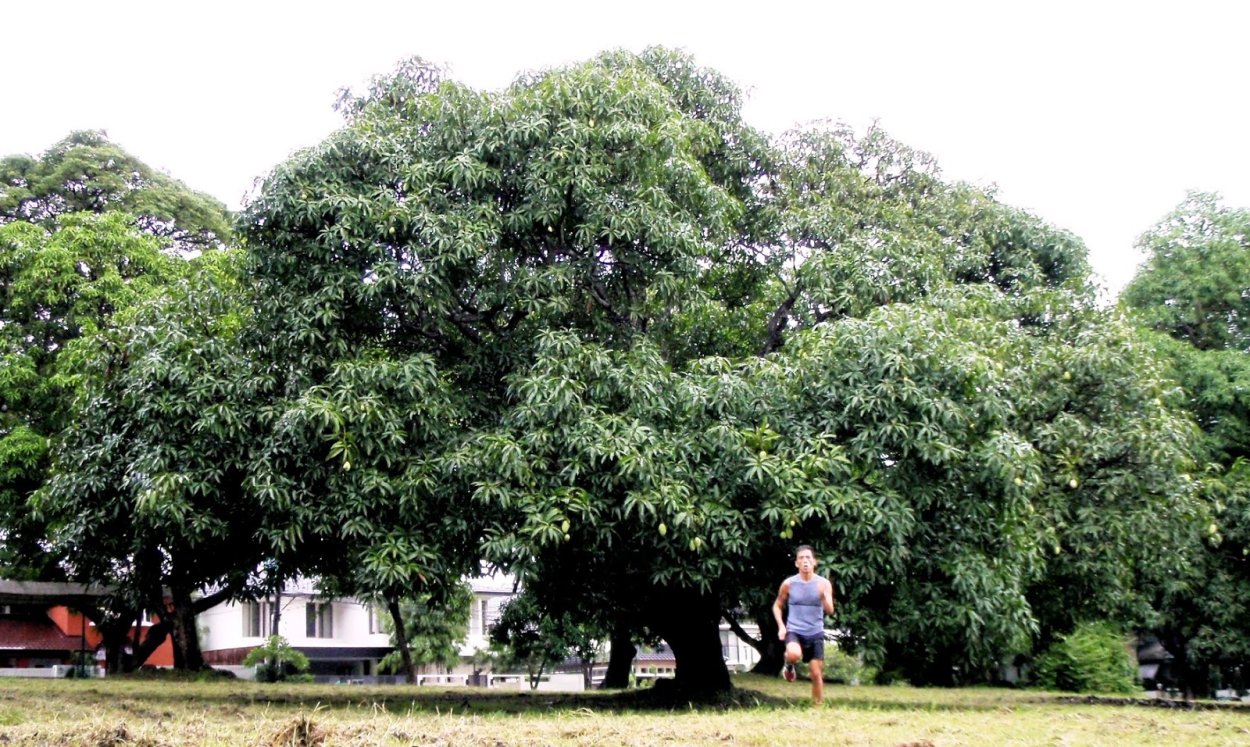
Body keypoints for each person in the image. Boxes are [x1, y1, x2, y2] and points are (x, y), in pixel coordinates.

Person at [773, 544, 835, 705]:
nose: (805, 561)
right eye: (801, 558)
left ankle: (817, 707)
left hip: (815, 632)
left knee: (815, 674)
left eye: (808, 558)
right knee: (793, 653)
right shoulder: (789, 583)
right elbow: (777, 605)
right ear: (796, 563)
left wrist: (823, 597)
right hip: (794, 630)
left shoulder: (823, 584)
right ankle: (789, 664)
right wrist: (781, 626)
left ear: (815, 562)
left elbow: (830, 610)